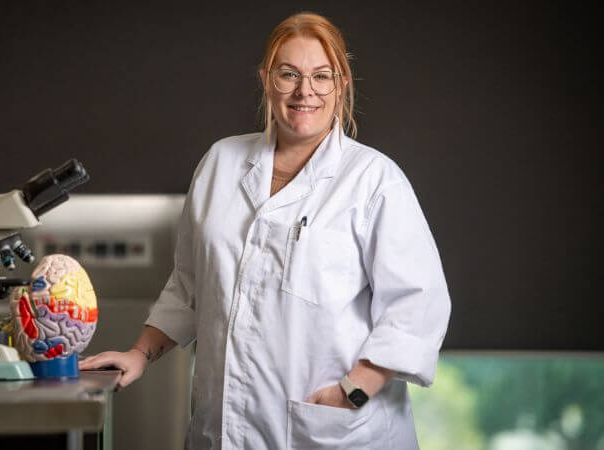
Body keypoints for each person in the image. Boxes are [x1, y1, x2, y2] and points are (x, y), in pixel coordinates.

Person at [80, 12, 451, 449]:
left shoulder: (374, 180)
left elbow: (417, 305)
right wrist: (138, 354)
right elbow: (189, 286)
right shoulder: (220, 163)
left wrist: (354, 390)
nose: (304, 91)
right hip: (223, 429)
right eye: (288, 74)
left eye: (321, 76)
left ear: (342, 84)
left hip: (334, 431)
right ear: (266, 78)